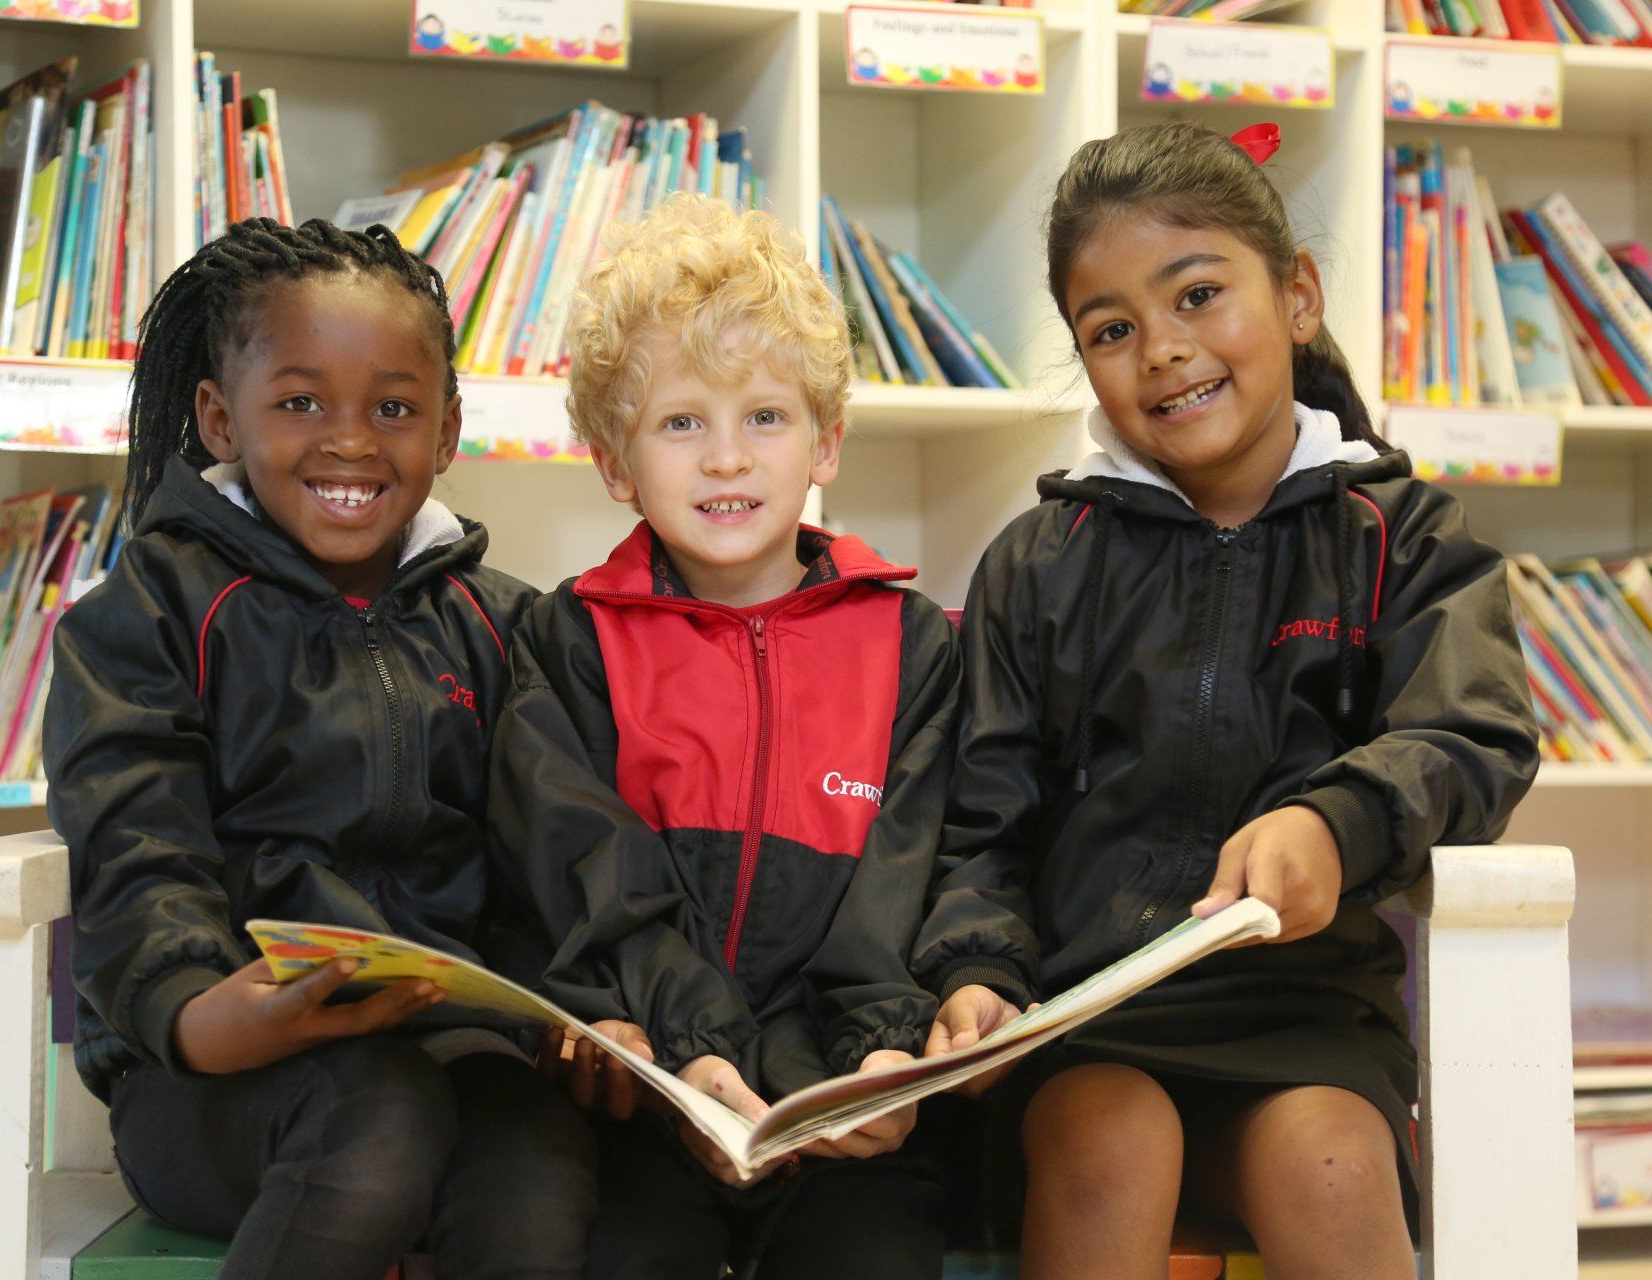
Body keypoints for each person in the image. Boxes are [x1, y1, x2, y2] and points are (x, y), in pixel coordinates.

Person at [912, 122, 1539, 1280]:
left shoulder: (1403, 537)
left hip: (1305, 1023)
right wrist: (978, 974)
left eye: (1198, 293)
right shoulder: (1037, 564)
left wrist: (1334, 819)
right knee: (1109, 1142)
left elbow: (1474, 730)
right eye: (1112, 329)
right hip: (1085, 1022)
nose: (1162, 348)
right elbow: (981, 826)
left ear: (1297, 295)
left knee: (1334, 1167)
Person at [43, 217, 594, 1279]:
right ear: (218, 417)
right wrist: (197, 1009)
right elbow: (134, 844)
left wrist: (576, 1011)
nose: (349, 440)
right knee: (379, 1120)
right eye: (300, 402)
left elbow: (551, 850)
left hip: (447, 1042)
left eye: (394, 407)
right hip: (214, 1067)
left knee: (540, 1159)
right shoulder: (151, 611)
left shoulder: (504, 624)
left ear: (446, 431)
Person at [483, 194, 961, 1280]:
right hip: (651, 1101)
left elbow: (907, 880)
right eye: (681, 422)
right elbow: (588, 881)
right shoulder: (567, 641)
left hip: (845, 1103)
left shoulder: (914, 642)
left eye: (766, 417)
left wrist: (869, 1058)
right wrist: (696, 1056)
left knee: (876, 1257)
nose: (728, 459)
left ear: (827, 440)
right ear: (617, 463)